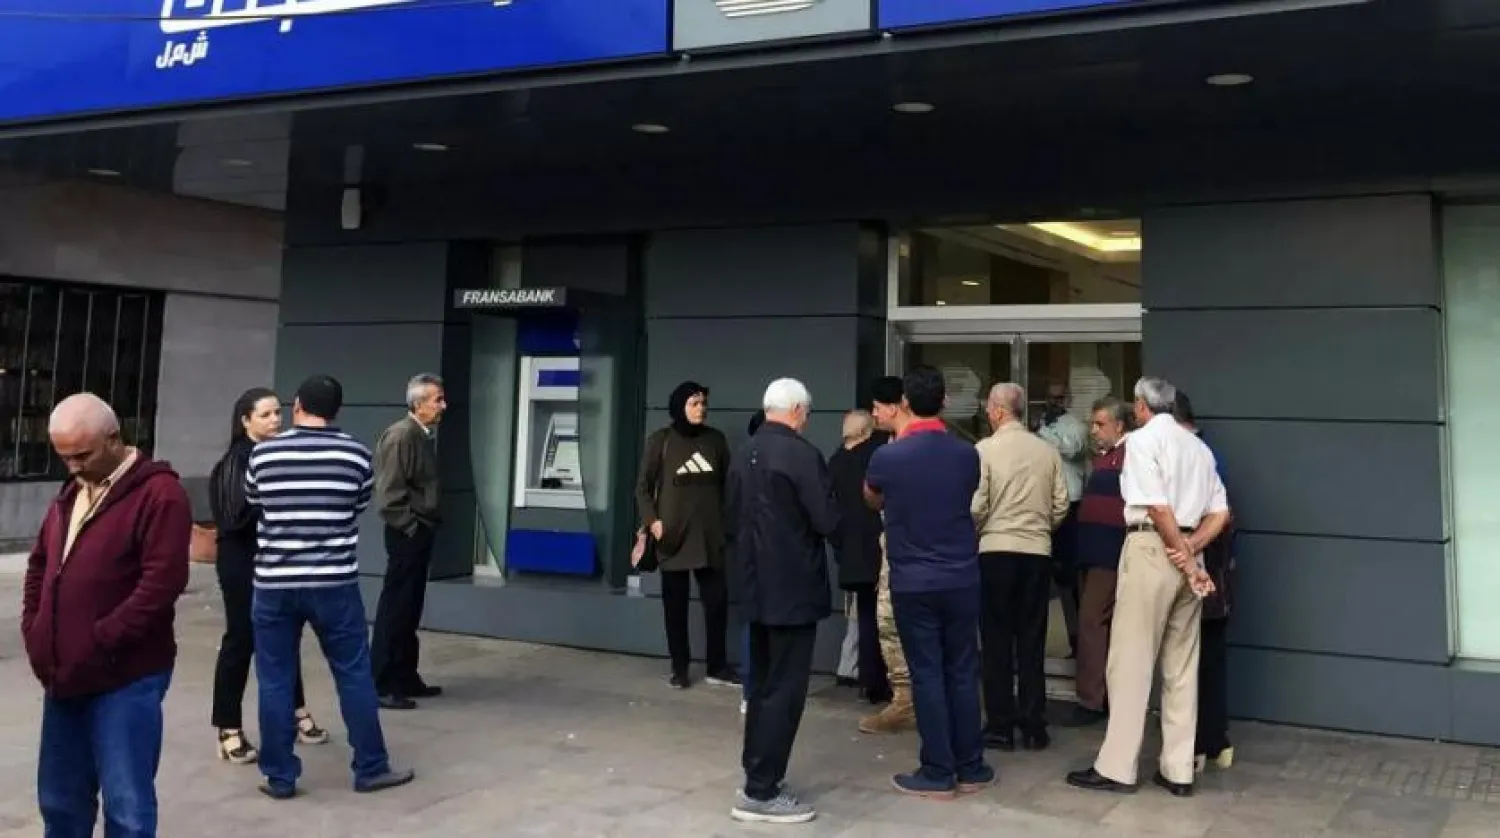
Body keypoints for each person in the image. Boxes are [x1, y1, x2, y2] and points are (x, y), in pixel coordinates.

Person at [23, 393, 191, 837]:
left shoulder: (161, 495)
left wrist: (102, 638)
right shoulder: (72, 492)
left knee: (127, 809)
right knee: (60, 802)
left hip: (125, 679)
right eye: (64, 457)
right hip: (64, 675)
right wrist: (36, 630)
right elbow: (41, 564)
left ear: (114, 439)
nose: (73, 466)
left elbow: (161, 586)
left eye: (82, 454)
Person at [246, 374, 413, 799]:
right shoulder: (357, 456)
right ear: (337, 410)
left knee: (275, 679)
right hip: (334, 583)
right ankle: (371, 767)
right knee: (353, 673)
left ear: (298, 405)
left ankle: (281, 777)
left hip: (274, 584)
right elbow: (357, 506)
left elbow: (256, 503)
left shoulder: (263, 455)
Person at [1067, 376, 1230, 798]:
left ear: (1140, 407)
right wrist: (1192, 554)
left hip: (1151, 549)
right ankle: (1178, 770)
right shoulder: (1197, 447)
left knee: (1131, 660)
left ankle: (1117, 766)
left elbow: (1156, 507)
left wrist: (1179, 548)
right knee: (1181, 666)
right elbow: (1220, 513)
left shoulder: (1141, 443)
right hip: (1188, 552)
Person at [864, 366, 992, 799]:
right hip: (961, 576)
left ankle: (938, 771)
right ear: (942, 404)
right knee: (961, 669)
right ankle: (971, 766)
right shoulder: (967, 453)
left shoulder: (888, 456)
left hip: (913, 579)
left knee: (927, 673)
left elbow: (871, 495)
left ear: (903, 404)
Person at [726, 378, 839, 824]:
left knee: (762, 688)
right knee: (785, 692)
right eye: (806, 412)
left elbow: (731, 519)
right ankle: (761, 790)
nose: (807, 420)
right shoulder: (801, 455)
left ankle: (757, 776)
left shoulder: (743, 454)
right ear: (795, 410)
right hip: (792, 590)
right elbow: (828, 519)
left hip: (753, 588)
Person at [209, 388, 329, 763]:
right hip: (242, 560)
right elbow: (233, 519)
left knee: (284, 633)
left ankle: (296, 711)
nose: (276, 420)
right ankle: (227, 726)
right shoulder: (236, 461)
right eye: (265, 415)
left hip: (274, 559)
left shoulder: (274, 454)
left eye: (278, 413)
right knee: (241, 640)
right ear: (245, 421)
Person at [971, 383, 1069, 752]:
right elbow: (1060, 503)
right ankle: (1034, 724)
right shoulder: (1047, 452)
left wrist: (981, 530)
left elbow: (977, 503)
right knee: (1032, 639)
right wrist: (1040, 529)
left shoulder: (984, 451)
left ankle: (999, 724)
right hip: (1037, 551)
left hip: (995, 549)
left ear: (997, 410)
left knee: (996, 641)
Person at [635, 381, 737, 689]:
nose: (701, 408)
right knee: (675, 608)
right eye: (694, 403)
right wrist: (653, 522)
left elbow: (728, 488)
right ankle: (679, 668)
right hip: (673, 537)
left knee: (717, 605)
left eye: (703, 402)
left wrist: (727, 525)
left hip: (710, 538)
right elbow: (642, 488)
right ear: (680, 406)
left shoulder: (716, 441)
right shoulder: (661, 441)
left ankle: (717, 667)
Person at [371, 373, 448, 710]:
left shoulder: (420, 436)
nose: (443, 406)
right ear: (418, 404)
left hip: (418, 531)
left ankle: (405, 676)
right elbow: (389, 494)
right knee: (396, 607)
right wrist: (411, 527)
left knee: (410, 607)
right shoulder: (402, 436)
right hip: (407, 534)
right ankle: (383, 681)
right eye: (437, 400)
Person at [1173, 391, 1238, 774]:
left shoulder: (1192, 459)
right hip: (1220, 576)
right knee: (1211, 659)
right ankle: (1217, 741)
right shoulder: (1211, 456)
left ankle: (1195, 745)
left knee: (1187, 663)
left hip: (1198, 572)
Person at [1064, 396, 1134, 728]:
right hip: (1093, 553)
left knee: (1092, 622)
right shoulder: (1104, 459)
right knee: (1095, 622)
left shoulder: (1132, 455)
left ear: (1120, 425)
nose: (1093, 430)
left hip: (1109, 554)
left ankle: (1091, 699)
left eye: (1100, 423)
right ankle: (1099, 694)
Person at [859, 376, 915, 735]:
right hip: (906, 543)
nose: (874, 415)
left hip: (903, 546)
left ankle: (907, 702)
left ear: (893, 406)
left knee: (892, 624)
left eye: (877, 408)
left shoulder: (897, 449)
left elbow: (873, 494)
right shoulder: (899, 442)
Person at [829, 409, 890, 705]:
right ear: (869, 430)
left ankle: (868, 679)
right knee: (880, 617)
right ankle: (881, 681)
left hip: (850, 551)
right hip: (877, 546)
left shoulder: (835, 462)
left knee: (864, 615)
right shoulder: (876, 456)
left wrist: (838, 544)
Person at [1037, 381, 1089, 658]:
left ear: (1067, 398)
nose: (1054, 401)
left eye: (1059, 397)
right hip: (1043, 507)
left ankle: (1079, 642)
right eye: (1050, 397)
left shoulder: (1075, 425)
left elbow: (1072, 450)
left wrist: (1042, 431)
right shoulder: (1042, 424)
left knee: (1070, 582)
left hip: (1070, 506)